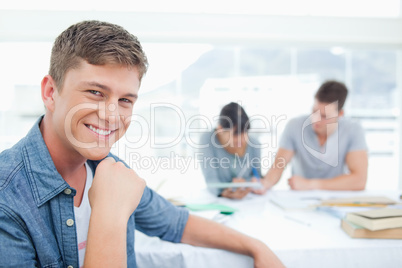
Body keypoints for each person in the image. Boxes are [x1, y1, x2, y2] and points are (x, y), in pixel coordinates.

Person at [0, 21, 284, 268]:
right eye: (95, 92)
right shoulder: (6, 199)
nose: (112, 115)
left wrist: (255, 246)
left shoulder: (108, 169)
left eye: (125, 100)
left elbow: (177, 223)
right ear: (51, 93)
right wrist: (109, 215)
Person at [254, 80, 368, 193]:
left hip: (335, 199)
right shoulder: (295, 126)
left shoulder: (353, 130)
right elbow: (278, 167)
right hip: (301, 199)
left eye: (324, 116)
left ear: (340, 114)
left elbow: (359, 180)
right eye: (314, 112)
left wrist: (310, 184)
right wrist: (264, 184)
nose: (316, 120)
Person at [199, 102, 261, 199]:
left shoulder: (255, 144)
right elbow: (211, 179)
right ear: (220, 129)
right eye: (236, 134)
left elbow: (257, 176)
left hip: (248, 200)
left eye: (245, 132)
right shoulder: (207, 139)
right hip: (220, 200)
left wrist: (247, 183)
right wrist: (223, 192)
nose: (242, 139)